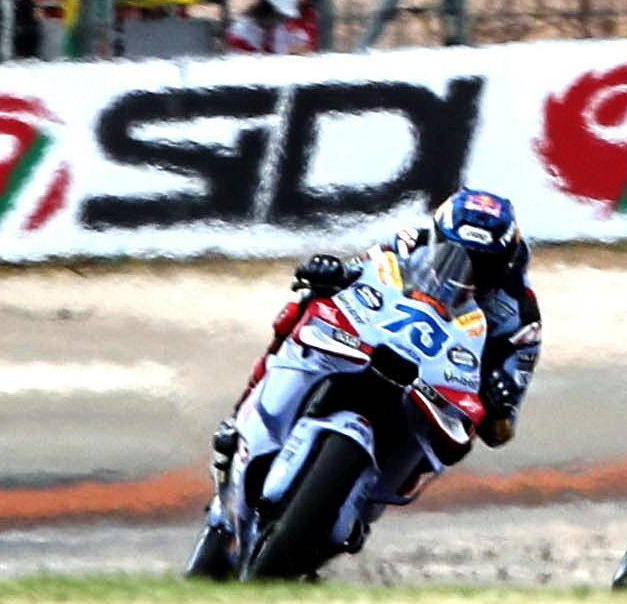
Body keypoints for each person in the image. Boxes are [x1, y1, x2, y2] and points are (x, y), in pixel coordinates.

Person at [210, 189, 542, 494]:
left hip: (436, 385)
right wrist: (332, 273)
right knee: (308, 301)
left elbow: (500, 432)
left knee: (456, 440)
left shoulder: (521, 316)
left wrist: (498, 404)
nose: (464, 273)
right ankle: (239, 419)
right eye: (451, 253)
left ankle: (374, 497)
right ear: (437, 237)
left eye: (482, 265)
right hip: (375, 343)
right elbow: (357, 273)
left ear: (506, 261)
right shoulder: (410, 244)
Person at [222, 0, 308, 56]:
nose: (282, 20)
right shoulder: (240, 34)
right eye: (280, 16)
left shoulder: (276, 29)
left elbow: (300, 42)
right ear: (267, 10)